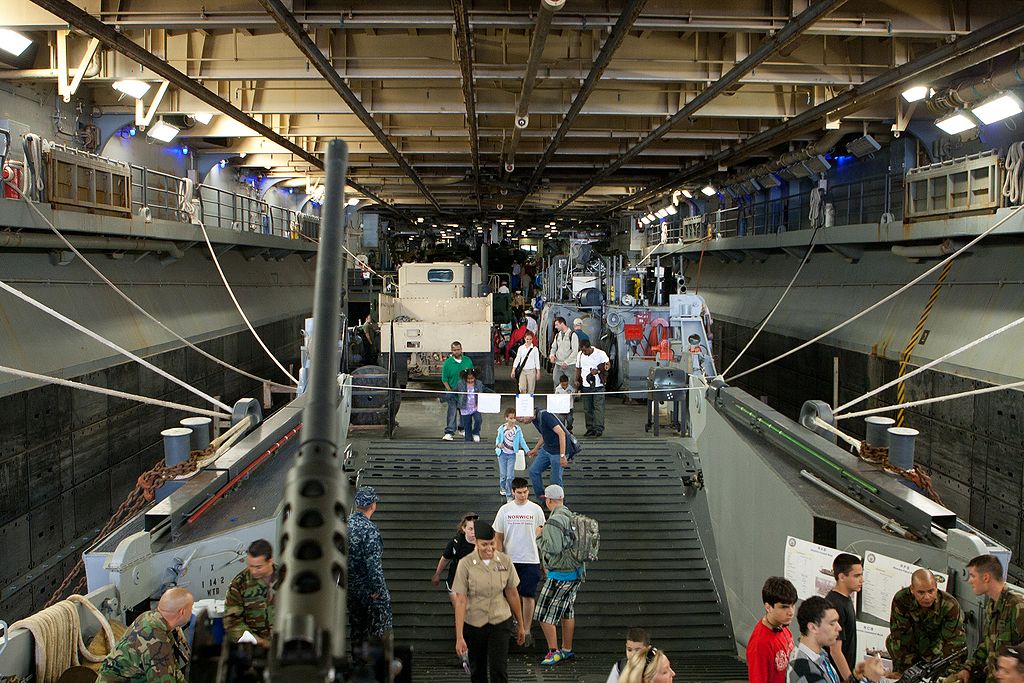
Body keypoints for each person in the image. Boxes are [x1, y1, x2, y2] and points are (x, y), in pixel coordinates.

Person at [453, 520, 527, 683]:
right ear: (476, 543)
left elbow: (512, 593)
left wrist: (521, 624)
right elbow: (460, 601)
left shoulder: (505, 561)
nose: (489, 548)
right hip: (474, 623)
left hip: (500, 620)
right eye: (484, 544)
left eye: (492, 543)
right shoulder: (465, 564)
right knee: (477, 670)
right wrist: (459, 636)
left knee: (499, 670)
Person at [97, 587, 193, 683]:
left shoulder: (150, 617)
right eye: (191, 607)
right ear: (182, 612)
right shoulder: (156, 642)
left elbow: (173, 668)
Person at [535, 484, 584, 666]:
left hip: (560, 574)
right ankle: (567, 650)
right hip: (576, 572)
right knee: (567, 611)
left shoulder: (555, 520)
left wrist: (539, 535)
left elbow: (553, 548)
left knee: (542, 612)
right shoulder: (572, 516)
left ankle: (553, 652)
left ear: (548, 500)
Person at [493, 477, 546, 647]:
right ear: (513, 492)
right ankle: (515, 625)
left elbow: (542, 537)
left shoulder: (536, 510)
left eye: (525, 492)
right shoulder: (505, 510)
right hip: (510, 559)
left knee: (528, 595)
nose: (523, 495)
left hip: (531, 558)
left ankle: (528, 629)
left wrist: (543, 563)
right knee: (510, 594)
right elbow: (498, 537)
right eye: (519, 492)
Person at [885, 568, 966, 676]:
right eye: (921, 592)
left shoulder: (950, 605)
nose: (927, 597)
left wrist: (947, 676)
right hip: (913, 646)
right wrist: (906, 673)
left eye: (931, 591)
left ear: (936, 588)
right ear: (912, 590)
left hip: (938, 650)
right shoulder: (902, 600)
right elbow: (900, 638)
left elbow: (953, 645)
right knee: (892, 642)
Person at [957, 554, 1024, 683]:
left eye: (973, 576)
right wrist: (968, 668)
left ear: (986, 577)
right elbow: (987, 644)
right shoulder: (991, 605)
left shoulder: (1017, 606)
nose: (970, 581)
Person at [347, 486, 393, 648]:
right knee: (378, 630)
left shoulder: (345, 526)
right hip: (369, 592)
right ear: (373, 505)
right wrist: (379, 592)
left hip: (351, 589)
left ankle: (358, 664)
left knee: (357, 630)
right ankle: (374, 667)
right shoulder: (369, 530)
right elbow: (374, 566)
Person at [223, 538, 276, 648]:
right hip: (254, 648)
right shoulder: (239, 583)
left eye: (258, 567)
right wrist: (258, 641)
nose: (253, 571)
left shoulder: (287, 577)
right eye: (250, 565)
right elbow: (231, 621)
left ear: (270, 561)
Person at [747, 576, 797, 683]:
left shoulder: (782, 627)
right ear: (768, 607)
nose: (791, 612)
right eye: (784, 607)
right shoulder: (760, 644)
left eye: (793, 605)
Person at [787, 595, 843, 683]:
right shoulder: (804, 671)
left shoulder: (820, 656)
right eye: (832, 623)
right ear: (813, 627)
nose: (839, 628)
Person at [825, 552, 863, 682]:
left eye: (861, 575)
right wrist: (849, 679)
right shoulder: (835, 604)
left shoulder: (846, 599)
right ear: (841, 577)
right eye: (857, 576)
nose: (861, 580)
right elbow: (835, 651)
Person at [519, 409, 569, 501]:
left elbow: (561, 433)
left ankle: (558, 503)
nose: (523, 422)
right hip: (547, 449)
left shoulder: (545, 415)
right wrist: (535, 449)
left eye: (522, 418)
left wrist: (562, 455)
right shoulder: (535, 420)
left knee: (555, 481)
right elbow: (544, 434)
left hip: (557, 451)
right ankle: (543, 498)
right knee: (534, 471)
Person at [432, 512, 478, 610]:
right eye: (470, 529)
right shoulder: (456, 542)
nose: (473, 532)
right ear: (463, 528)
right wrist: (437, 574)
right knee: (460, 609)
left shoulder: (483, 543)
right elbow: (445, 558)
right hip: (455, 580)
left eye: (476, 529)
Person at [575, 339, 610, 437]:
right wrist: (576, 380)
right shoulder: (580, 355)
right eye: (582, 351)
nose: (584, 353)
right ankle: (590, 428)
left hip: (598, 385)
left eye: (585, 351)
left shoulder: (600, 354)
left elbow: (608, 365)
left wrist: (598, 370)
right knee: (587, 408)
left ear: (590, 347)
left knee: (598, 407)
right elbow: (578, 368)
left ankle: (598, 428)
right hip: (586, 385)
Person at [442, 341, 474, 440]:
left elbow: (472, 375)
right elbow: (444, 379)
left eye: (458, 349)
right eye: (454, 350)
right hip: (452, 393)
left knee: (464, 412)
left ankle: (463, 429)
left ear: (461, 349)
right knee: (452, 412)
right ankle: (449, 432)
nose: (456, 352)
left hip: (465, 392)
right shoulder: (447, 363)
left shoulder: (468, 361)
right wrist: (450, 390)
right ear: (451, 351)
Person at [495, 410, 530, 497]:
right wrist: (498, 444)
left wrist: (527, 450)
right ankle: (503, 487)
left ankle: (509, 494)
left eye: (514, 418)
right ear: (506, 418)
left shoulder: (517, 429)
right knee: (503, 475)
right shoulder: (501, 428)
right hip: (502, 454)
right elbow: (498, 439)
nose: (512, 420)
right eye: (510, 418)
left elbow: (522, 441)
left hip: (511, 455)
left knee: (510, 476)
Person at [456, 368, 489, 442]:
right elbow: (454, 391)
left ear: (475, 377)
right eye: (468, 379)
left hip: (475, 407)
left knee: (478, 420)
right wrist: (445, 396)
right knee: (467, 425)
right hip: (465, 408)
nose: (470, 380)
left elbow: (485, 389)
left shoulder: (479, 383)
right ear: (465, 378)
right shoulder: (460, 383)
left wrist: (494, 393)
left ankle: (476, 432)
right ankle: (468, 440)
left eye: (472, 378)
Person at [549, 316, 580, 392]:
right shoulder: (557, 336)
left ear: (562, 323)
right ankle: (558, 398)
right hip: (558, 364)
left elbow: (575, 351)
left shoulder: (573, 335)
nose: (555, 327)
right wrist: (552, 356)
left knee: (571, 384)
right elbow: (553, 348)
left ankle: (570, 400)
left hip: (570, 365)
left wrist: (567, 362)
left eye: (556, 325)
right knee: (556, 381)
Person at [512, 330, 542, 395]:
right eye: (527, 339)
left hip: (531, 371)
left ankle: (529, 403)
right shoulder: (521, 348)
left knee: (531, 390)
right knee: (522, 388)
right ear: (524, 339)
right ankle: (524, 403)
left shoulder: (535, 349)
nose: (529, 341)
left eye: (530, 339)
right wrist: (513, 370)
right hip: (522, 370)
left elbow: (537, 361)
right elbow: (517, 359)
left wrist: (538, 372)